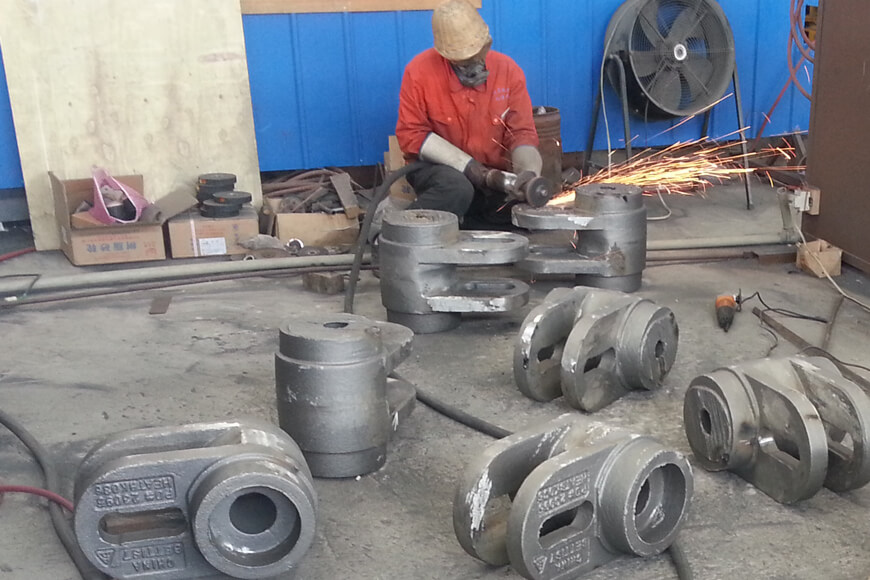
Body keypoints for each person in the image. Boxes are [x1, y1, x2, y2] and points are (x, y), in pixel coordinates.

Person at [390, 0, 544, 229]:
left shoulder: (508, 71)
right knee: (457, 189)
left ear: (487, 43)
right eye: (463, 61)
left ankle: (466, 222)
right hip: (437, 171)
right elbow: (411, 135)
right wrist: (469, 167)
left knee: (519, 210)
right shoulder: (419, 73)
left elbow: (521, 132)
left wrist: (527, 173)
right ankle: (397, 233)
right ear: (445, 55)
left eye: (477, 55)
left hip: (492, 172)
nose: (473, 65)